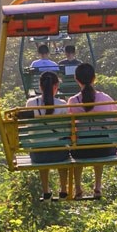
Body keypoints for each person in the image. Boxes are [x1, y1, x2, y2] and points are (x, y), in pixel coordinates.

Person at [66, 63, 117, 200]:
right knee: (99, 141)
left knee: (77, 145)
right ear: (94, 78)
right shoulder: (105, 99)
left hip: (81, 151)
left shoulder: (73, 101)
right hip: (104, 150)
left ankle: (77, 188)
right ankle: (98, 186)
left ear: (76, 79)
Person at [25, 70, 70, 200]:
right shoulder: (62, 105)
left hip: (38, 156)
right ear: (56, 86)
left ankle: (46, 191)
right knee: (62, 146)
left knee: (40, 146)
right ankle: (63, 189)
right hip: (59, 155)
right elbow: (67, 128)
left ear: (40, 87)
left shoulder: (31, 103)